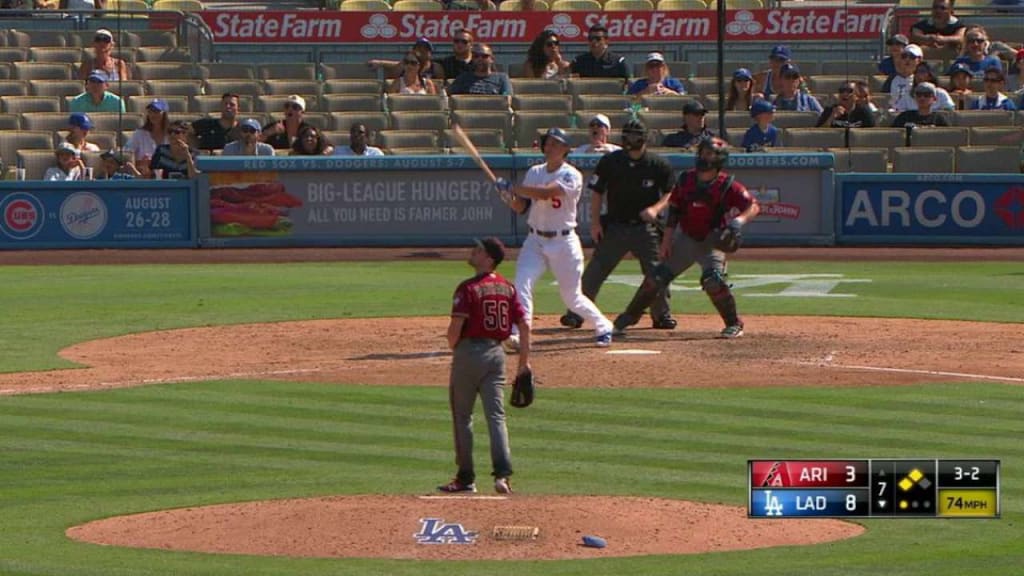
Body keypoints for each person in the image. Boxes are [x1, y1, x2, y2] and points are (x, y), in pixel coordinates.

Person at [612, 136, 760, 339]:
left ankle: (734, 323)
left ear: (719, 158)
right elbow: (674, 212)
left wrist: (739, 221)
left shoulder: (727, 185)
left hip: (711, 241)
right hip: (686, 239)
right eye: (702, 153)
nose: (703, 157)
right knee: (656, 278)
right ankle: (629, 316)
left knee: (713, 281)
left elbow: (753, 206)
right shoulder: (686, 179)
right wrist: (666, 241)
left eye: (708, 154)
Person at [494, 127, 615, 348]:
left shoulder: (571, 174)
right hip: (535, 240)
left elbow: (547, 193)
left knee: (571, 296)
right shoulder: (535, 171)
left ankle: (604, 325)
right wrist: (509, 198)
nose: (549, 147)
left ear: (566, 149)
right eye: (547, 143)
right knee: (522, 284)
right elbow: (523, 207)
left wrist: (514, 187)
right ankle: (520, 333)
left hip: (564, 242)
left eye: (555, 143)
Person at [560, 119, 676, 333]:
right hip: (615, 225)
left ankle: (662, 315)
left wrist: (656, 209)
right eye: (627, 135)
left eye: (634, 136)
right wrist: (595, 222)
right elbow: (596, 191)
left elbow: (670, 192)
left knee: (656, 272)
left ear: (643, 138)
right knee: (595, 271)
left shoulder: (657, 164)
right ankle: (575, 314)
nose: (630, 140)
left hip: (645, 228)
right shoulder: (611, 161)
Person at [437, 237, 529, 495]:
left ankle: (466, 479)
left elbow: (454, 331)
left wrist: (458, 349)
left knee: (463, 417)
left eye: (478, 251)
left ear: (488, 259)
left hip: (469, 354)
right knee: (496, 417)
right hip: (497, 355)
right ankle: (503, 477)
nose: (472, 252)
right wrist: (524, 363)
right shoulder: (507, 288)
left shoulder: (467, 288)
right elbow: (524, 326)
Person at [447, 43, 512, 98]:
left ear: (492, 59)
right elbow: (449, 98)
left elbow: (506, 99)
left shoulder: (502, 78)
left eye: (484, 56)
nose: (480, 59)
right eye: (476, 56)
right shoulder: (463, 78)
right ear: (472, 59)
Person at [368, 37, 445, 82]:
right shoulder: (405, 64)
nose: (422, 51)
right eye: (419, 48)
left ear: (430, 53)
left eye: (425, 49)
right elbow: (392, 77)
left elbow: (441, 86)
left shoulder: (436, 68)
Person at [127, 98, 169, 178]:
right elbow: (128, 154)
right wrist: (141, 163)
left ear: (164, 114)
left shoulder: (171, 135)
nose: (153, 115)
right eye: (150, 112)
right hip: (143, 176)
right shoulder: (139, 134)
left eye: (156, 112)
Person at [889, 44, 923, 114]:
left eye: (912, 57)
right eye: (904, 56)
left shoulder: (923, 79)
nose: (907, 59)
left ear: (919, 60)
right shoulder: (892, 80)